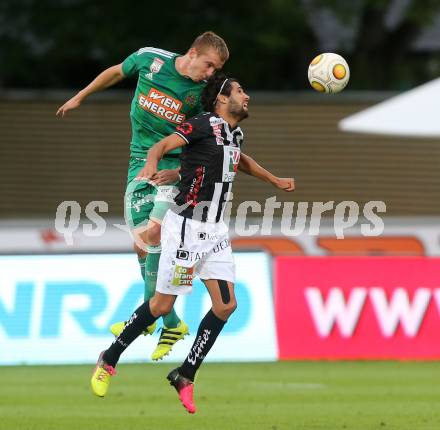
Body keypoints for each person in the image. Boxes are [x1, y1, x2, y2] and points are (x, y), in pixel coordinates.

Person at [90, 73, 295, 413]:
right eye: (240, 91)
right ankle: (108, 359)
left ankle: (185, 374)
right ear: (221, 98)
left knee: (226, 306)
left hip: (214, 232)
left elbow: (238, 159)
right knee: (161, 307)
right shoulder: (201, 124)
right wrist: (153, 163)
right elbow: (162, 145)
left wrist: (272, 179)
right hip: (186, 229)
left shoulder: (235, 133)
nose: (247, 97)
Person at [56, 32, 229, 360]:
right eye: (208, 65)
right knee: (139, 242)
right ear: (192, 53)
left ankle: (147, 316)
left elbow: (205, 141)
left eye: (215, 69)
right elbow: (118, 71)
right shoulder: (152, 59)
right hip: (139, 161)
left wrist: (180, 173)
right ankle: (171, 321)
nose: (210, 74)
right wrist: (81, 96)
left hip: (174, 168)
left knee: (153, 233)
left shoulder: (201, 94)